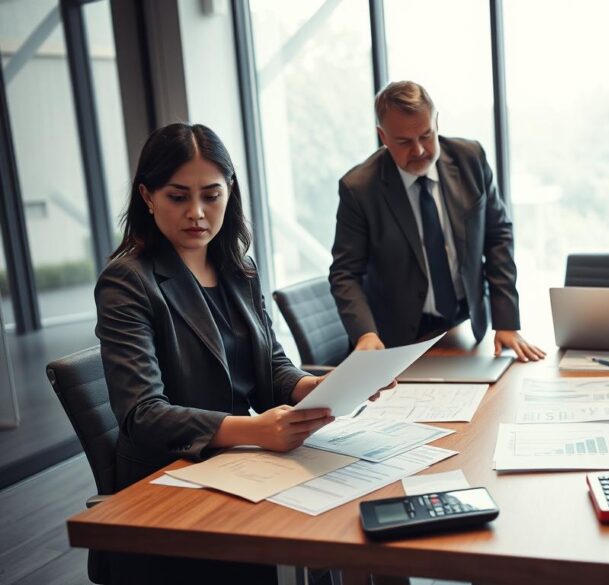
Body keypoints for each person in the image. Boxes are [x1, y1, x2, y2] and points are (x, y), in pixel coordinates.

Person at [95, 123, 334, 583]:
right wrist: (255, 430)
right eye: (178, 196)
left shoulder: (238, 268)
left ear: (230, 191)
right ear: (147, 196)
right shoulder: (128, 281)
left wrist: (311, 387)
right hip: (173, 483)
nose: (198, 213)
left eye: (212, 194)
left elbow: (270, 365)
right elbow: (142, 414)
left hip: (244, 463)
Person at [330, 80, 545, 362]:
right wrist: (365, 333)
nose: (419, 150)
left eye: (426, 135)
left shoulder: (470, 159)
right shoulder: (359, 189)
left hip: (465, 326)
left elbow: (498, 236)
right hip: (396, 340)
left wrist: (505, 320)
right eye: (404, 142)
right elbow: (345, 273)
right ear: (383, 136)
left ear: (436, 122)